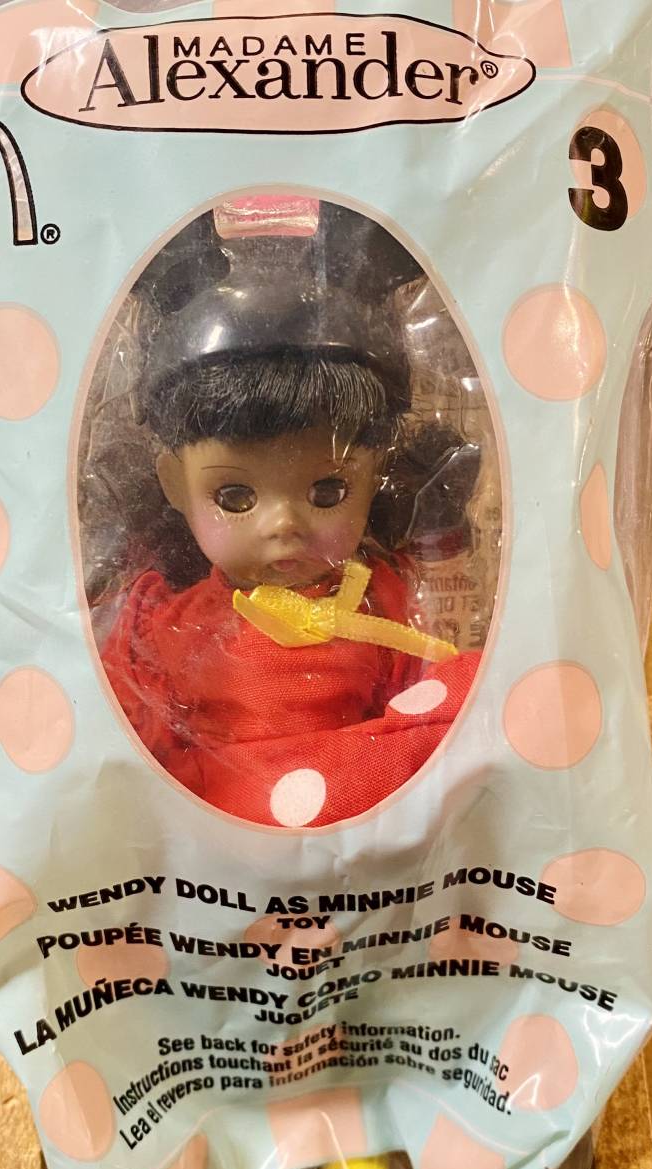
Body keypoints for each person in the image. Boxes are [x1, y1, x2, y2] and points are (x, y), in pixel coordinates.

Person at [93, 198, 483, 828]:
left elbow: (420, 684)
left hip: (363, 794)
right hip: (219, 805)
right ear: (173, 483)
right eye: (234, 497)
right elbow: (128, 723)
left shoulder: (379, 601)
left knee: (476, 693)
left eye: (328, 493)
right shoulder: (164, 622)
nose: (284, 525)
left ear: (375, 476)